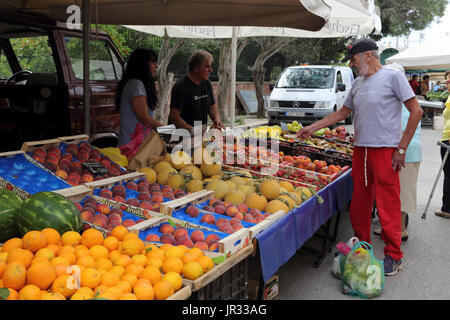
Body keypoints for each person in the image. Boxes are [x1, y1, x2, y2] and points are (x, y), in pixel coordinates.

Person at [297, 38, 423, 276]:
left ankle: (394, 256)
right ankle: (363, 248)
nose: (353, 65)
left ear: (368, 56)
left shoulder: (393, 77)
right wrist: (313, 127)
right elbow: (343, 113)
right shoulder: (357, 84)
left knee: (388, 206)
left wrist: (402, 148)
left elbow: (416, 111)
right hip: (360, 151)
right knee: (359, 206)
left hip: (385, 151)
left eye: (354, 59)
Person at [373, 63, 422, 241]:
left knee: (401, 195)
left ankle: (400, 230)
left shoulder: (403, 101)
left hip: (406, 153)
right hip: (404, 151)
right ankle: (392, 227)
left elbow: (399, 129)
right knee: (396, 192)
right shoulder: (399, 98)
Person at [116, 48, 164, 146]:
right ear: (142, 64)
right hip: (131, 148)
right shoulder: (135, 84)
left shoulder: (138, 84)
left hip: (138, 147)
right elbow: (144, 118)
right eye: (153, 62)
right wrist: (169, 130)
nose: (156, 66)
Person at [169, 50, 223, 131]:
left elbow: (212, 106)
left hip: (200, 133)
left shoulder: (207, 83)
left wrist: (216, 119)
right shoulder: (181, 86)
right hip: (182, 136)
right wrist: (191, 130)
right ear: (196, 68)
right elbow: (174, 116)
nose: (211, 70)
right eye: (207, 66)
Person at [435, 78, 450, 218]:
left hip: (448, 139)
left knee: (448, 174)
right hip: (446, 138)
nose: (447, 84)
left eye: (449, 82)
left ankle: (447, 208)